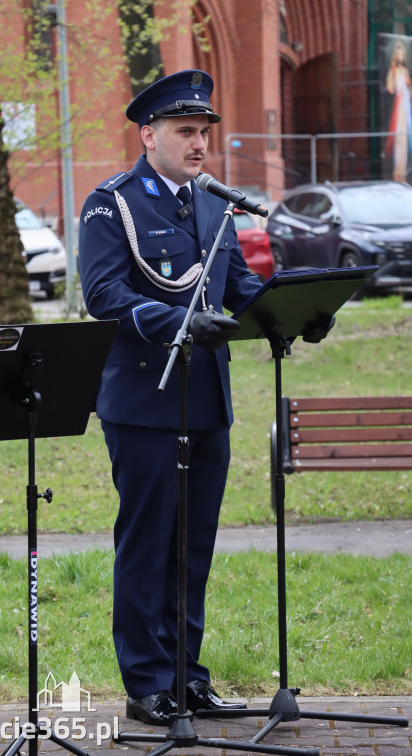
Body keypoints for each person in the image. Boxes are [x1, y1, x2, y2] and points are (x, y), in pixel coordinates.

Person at [78, 70, 332, 727]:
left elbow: (240, 286)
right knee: (148, 545)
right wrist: (180, 322)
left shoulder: (213, 205)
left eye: (204, 132)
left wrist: (297, 313)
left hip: (207, 400)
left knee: (193, 547)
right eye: (185, 131)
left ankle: (187, 679)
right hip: (145, 398)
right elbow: (104, 295)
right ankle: (147, 684)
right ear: (149, 135)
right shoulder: (112, 205)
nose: (198, 144)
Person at [385, 39, 412, 182]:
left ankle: (404, 169)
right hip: (399, 104)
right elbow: (390, 88)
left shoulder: (405, 70)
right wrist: (393, 74)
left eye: (402, 52)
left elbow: (410, 89)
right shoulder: (393, 70)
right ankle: (398, 169)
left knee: (406, 135)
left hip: (406, 105)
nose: (400, 55)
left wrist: (408, 87)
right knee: (399, 137)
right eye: (398, 52)